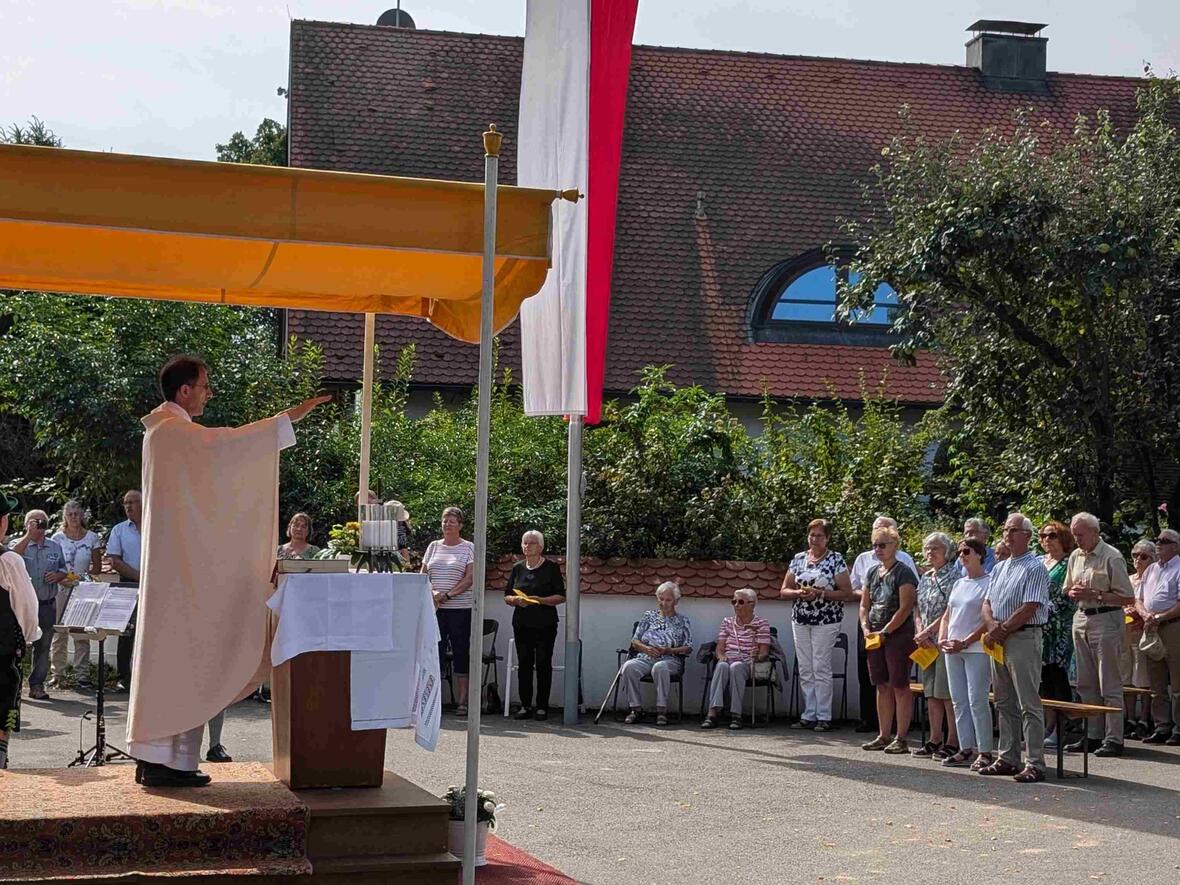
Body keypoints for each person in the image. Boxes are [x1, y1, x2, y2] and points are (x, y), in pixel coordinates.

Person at [127, 354, 329, 788]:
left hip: (177, 566)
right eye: (204, 385)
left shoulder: (164, 433)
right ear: (184, 390)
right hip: (181, 572)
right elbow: (229, 447)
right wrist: (283, 421)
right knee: (185, 657)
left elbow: (216, 460)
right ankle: (163, 762)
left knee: (181, 659)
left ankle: (163, 759)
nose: (208, 393)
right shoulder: (172, 433)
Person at [979, 513, 1051, 783]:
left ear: (1027, 536)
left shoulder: (1035, 567)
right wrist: (991, 627)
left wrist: (1002, 628)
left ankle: (1035, 762)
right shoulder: (999, 567)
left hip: (1022, 637)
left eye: (1014, 530)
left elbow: (1031, 606)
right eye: (1006, 529)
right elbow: (986, 602)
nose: (1007, 534)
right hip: (999, 639)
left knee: (1028, 702)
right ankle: (1008, 757)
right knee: (1003, 701)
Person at [1064, 511, 1135, 758]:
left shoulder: (1112, 557)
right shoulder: (1075, 556)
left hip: (1107, 619)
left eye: (1081, 535)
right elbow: (1068, 587)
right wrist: (1073, 593)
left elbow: (1128, 597)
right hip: (1082, 618)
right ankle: (1093, 735)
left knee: (1109, 682)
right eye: (1074, 535)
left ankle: (1114, 738)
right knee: (1086, 682)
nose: (1077, 540)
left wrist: (1096, 594)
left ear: (1095, 532)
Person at [780, 518, 853, 732]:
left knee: (820, 665)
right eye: (812, 535)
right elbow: (784, 590)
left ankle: (824, 715)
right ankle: (808, 714)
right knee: (805, 666)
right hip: (801, 618)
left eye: (819, 535)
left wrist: (820, 593)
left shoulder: (835, 559)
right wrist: (798, 593)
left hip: (826, 619)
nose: (814, 539)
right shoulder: (799, 559)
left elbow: (846, 593)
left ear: (827, 538)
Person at [849, 516, 917, 733]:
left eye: (883, 545)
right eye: (875, 545)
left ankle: (901, 737)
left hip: (897, 635)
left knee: (899, 685)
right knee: (881, 684)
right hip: (874, 634)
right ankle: (883, 734)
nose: (878, 549)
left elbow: (906, 606)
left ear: (895, 545)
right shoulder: (871, 571)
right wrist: (866, 628)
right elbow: (864, 604)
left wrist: (887, 630)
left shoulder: (903, 570)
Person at [939, 538, 994, 770]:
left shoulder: (989, 582)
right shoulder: (959, 583)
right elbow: (947, 615)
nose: (962, 555)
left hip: (976, 649)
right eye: (960, 552)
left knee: (977, 700)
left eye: (966, 551)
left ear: (980, 554)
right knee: (958, 701)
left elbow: (987, 619)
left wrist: (966, 641)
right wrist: (943, 638)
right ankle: (965, 747)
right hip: (952, 649)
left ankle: (985, 751)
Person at [504, 530, 566, 721]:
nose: (527, 546)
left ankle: (541, 706)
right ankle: (524, 705)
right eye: (524, 543)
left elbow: (561, 596)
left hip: (545, 623)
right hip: (522, 623)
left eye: (531, 543)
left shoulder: (551, 568)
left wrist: (540, 600)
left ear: (540, 547)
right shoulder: (518, 567)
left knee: (543, 663)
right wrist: (514, 599)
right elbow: (506, 595)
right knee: (524, 663)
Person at [0, 492, 41, 768]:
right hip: (1, 657)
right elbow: (27, 611)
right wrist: (26, 638)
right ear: (2, 522)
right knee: (2, 717)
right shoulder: (9, 561)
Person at [422, 506, 476, 717]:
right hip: (435, 609)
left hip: (459, 609)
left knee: (461, 653)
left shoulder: (468, 547)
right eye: (445, 521)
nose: (447, 524)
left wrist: (448, 595)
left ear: (460, 525)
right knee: (435, 653)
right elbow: (423, 575)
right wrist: (433, 592)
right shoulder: (433, 546)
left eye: (452, 521)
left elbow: (470, 578)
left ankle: (463, 701)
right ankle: (434, 700)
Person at [9, 509, 67, 701]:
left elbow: (63, 571)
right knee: (15, 645)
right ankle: (13, 685)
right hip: (20, 605)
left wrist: (58, 575)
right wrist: (28, 535)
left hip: (46, 603)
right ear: (27, 524)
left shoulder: (54, 546)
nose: (40, 526)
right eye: (36, 522)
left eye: (43, 523)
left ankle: (36, 685)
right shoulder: (18, 543)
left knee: (43, 646)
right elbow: (9, 558)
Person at [911, 532, 959, 760]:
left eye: (936, 549)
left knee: (946, 692)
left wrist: (930, 631)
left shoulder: (954, 576)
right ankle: (935, 737)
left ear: (948, 552)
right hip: (927, 642)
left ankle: (953, 740)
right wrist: (920, 629)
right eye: (928, 549)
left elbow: (950, 610)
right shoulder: (926, 577)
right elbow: (917, 607)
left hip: (944, 639)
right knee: (930, 691)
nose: (930, 553)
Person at [620, 581, 692, 726]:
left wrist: (669, 650)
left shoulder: (683, 620)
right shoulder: (648, 616)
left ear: (676, 601)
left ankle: (661, 710)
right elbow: (635, 641)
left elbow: (688, 647)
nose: (663, 603)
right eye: (661, 599)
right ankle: (635, 709)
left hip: (670, 659)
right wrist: (646, 649)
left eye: (668, 600)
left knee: (660, 667)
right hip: (646, 656)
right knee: (628, 666)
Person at [49, 500, 103, 689]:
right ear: (64, 516)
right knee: (59, 632)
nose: (73, 517)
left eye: (77, 514)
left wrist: (82, 579)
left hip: (83, 590)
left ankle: (82, 675)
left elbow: (97, 567)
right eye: (70, 514)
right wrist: (62, 579)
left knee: (81, 632)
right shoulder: (57, 538)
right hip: (61, 588)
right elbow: (52, 564)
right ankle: (57, 674)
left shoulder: (92, 538)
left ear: (82, 516)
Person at [702, 587, 770, 730]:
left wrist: (756, 656)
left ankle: (736, 714)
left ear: (752, 604)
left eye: (740, 602)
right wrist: (721, 657)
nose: (736, 605)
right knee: (721, 666)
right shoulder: (727, 622)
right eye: (734, 602)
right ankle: (713, 713)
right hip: (729, 658)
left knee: (736, 667)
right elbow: (720, 648)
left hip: (747, 663)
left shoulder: (761, 624)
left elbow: (764, 653)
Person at [1135, 529, 1180, 745]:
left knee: (1178, 680)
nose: (1159, 544)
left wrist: (1160, 617)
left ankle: (1179, 728)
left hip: (1172, 627)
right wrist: (1146, 615)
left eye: (1165, 541)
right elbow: (1138, 599)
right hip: (1151, 627)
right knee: (1156, 681)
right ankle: (1162, 726)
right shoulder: (1152, 569)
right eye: (1158, 541)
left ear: (1176, 546)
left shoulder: (1179, 568)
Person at [1037, 520, 1076, 749]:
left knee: (1058, 679)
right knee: (1045, 680)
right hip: (1040, 629)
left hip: (1059, 629)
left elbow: (1068, 596)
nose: (1047, 540)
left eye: (1052, 535)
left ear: (1062, 538)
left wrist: (1042, 608)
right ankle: (1048, 725)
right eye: (1043, 536)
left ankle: (1061, 729)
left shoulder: (1068, 563)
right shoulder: (1040, 562)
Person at [107, 489, 142, 692]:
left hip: (156, 584)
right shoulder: (119, 530)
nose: (128, 506)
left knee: (154, 631)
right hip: (128, 583)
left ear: (143, 503)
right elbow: (114, 560)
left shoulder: (156, 526)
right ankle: (123, 678)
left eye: (132, 502)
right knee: (126, 631)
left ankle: (149, 676)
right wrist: (139, 577)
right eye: (125, 503)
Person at [1123, 539, 1155, 738]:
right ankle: (1129, 719)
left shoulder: (1153, 579)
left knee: (1142, 677)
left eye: (1143, 556)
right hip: (1125, 632)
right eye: (1135, 555)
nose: (1138, 560)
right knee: (1126, 677)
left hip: (1144, 632)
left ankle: (1144, 719)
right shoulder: (1128, 579)